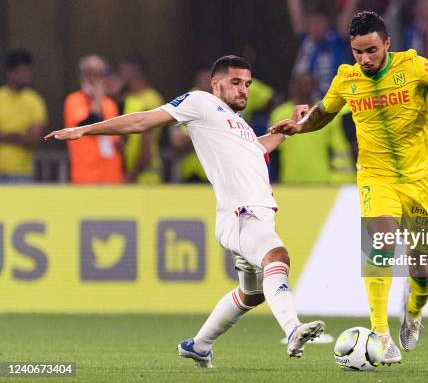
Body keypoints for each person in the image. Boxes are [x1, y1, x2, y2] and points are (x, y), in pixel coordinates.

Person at [46, 55, 325, 367]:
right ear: (215, 84)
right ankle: (292, 330)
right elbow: (142, 121)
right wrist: (85, 130)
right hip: (241, 214)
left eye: (247, 84)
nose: (243, 90)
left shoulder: (237, 125)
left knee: (254, 293)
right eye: (235, 83)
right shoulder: (200, 102)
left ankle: (199, 345)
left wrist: (293, 127)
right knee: (278, 257)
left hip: (250, 215)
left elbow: (256, 150)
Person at [270, 11, 428, 363]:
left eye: (371, 51)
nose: (364, 59)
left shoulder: (414, 67)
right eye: (357, 52)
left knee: (421, 273)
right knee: (381, 246)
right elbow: (324, 111)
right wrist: (299, 127)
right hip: (375, 177)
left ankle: (413, 313)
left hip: (420, 179)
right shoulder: (346, 79)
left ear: (387, 44)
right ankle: (381, 334)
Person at [64, 54, 123, 184]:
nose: (94, 79)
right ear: (82, 76)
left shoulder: (110, 104)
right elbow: (89, 123)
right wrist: (98, 96)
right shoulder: (74, 100)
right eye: (89, 74)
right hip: (86, 177)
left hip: (112, 176)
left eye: (99, 75)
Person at [0, 49, 47, 183]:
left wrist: (4, 136)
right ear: (10, 73)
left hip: (22, 173)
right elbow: (26, 138)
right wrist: (18, 136)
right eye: (22, 72)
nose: (27, 75)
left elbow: (33, 139)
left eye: (28, 71)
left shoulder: (35, 101)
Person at [118, 56, 164, 183]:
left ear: (135, 72)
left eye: (123, 70)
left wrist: (133, 174)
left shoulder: (152, 99)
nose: (120, 74)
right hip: (128, 172)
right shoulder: (127, 98)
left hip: (146, 175)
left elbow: (147, 140)